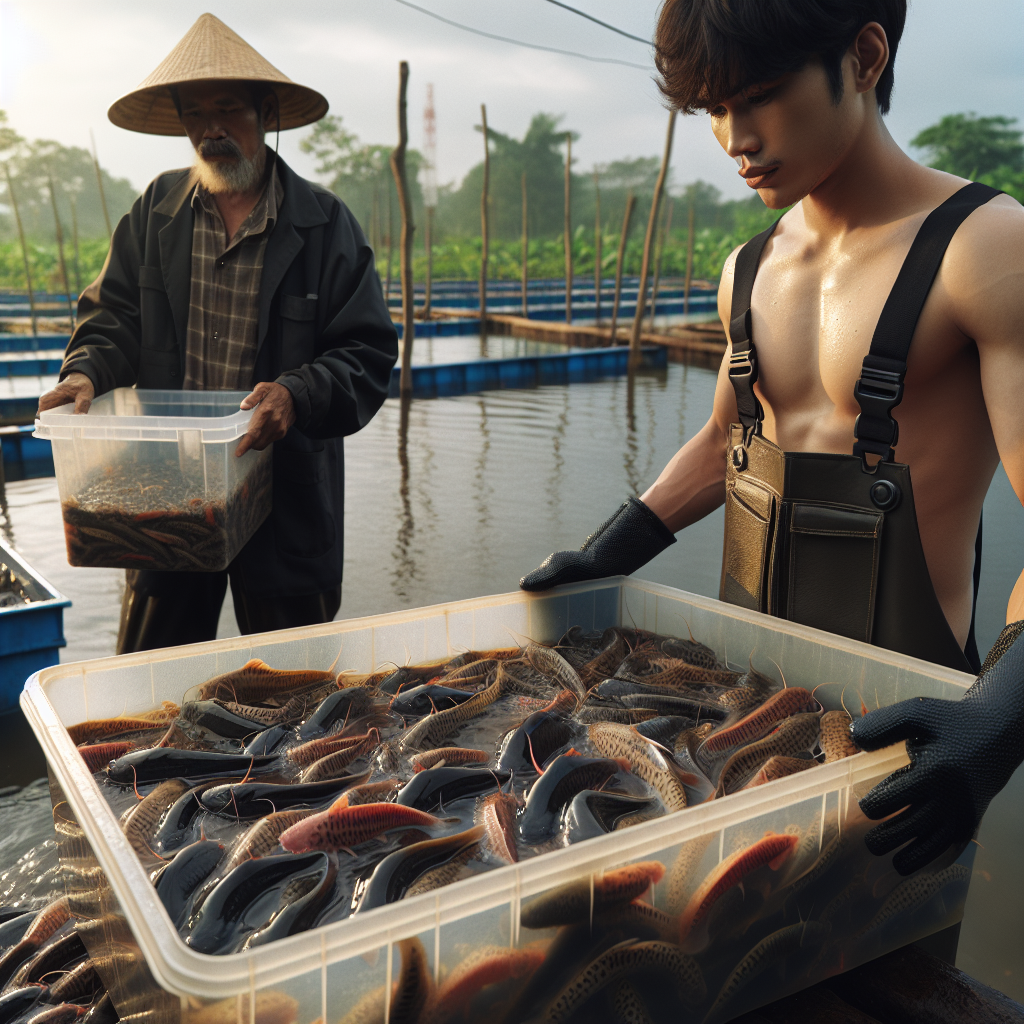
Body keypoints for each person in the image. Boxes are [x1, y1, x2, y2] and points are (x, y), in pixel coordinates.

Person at [522, 0, 1023, 879]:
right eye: (712, 107)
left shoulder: (983, 249)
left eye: (758, 94)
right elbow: (729, 441)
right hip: (736, 713)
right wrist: (613, 547)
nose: (732, 136)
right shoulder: (749, 270)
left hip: (904, 730)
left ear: (865, 56)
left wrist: (1002, 717)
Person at [37, 15, 397, 652]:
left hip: (283, 497)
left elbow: (366, 354)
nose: (211, 129)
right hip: (168, 491)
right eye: (195, 113)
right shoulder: (158, 213)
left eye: (228, 110)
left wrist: (296, 394)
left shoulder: (322, 223)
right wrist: (85, 373)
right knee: (148, 686)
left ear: (264, 113)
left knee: (299, 697)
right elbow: (112, 317)